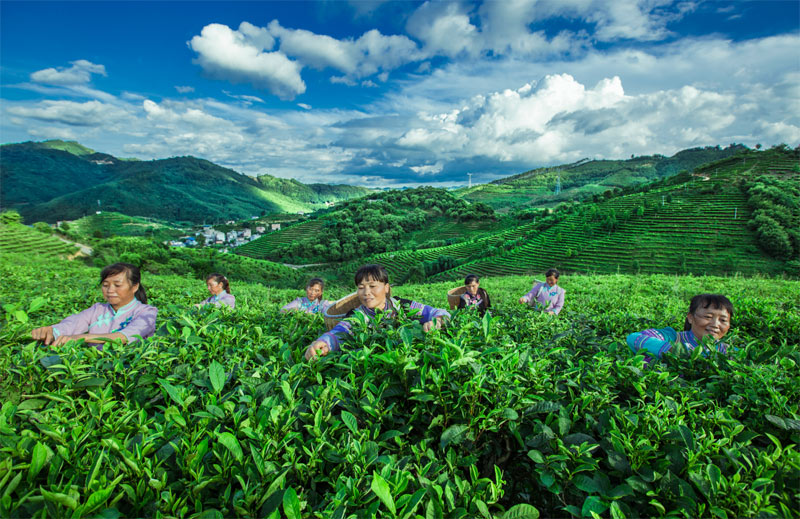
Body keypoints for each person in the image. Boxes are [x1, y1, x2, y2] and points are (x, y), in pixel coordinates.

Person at [305, 264, 450, 360]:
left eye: (372, 286)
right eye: (361, 287)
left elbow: (438, 312)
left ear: (386, 287)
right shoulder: (357, 316)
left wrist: (438, 320)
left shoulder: (403, 306)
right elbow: (339, 332)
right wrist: (323, 343)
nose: (366, 292)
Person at [31, 263, 157, 347]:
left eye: (117, 285)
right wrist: (53, 331)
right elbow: (74, 323)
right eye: (105, 285)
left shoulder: (147, 312)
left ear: (134, 286)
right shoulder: (97, 309)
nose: (110, 290)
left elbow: (125, 336)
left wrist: (80, 338)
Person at [627, 294, 734, 359]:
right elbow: (635, 338)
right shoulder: (672, 338)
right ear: (690, 317)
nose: (715, 324)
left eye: (723, 320)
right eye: (708, 317)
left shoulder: (728, 351)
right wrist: (672, 350)